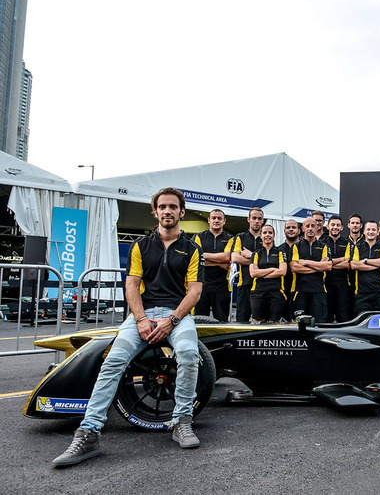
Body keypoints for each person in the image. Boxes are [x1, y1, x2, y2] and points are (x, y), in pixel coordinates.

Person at [52, 188, 204, 467]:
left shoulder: (193, 248)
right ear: (155, 212)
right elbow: (131, 285)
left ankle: (181, 421)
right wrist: (142, 319)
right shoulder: (140, 245)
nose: (167, 211)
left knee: (188, 355)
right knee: (113, 361)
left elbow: (194, 292)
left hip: (177, 317)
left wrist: (172, 320)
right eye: (162, 207)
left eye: (173, 207)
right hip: (142, 315)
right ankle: (89, 433)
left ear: (181, 212)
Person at [192, 209, 233, 322]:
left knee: (222, 321)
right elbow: (196, 258)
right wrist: (219, 262)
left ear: (224, 221)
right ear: (209, 220)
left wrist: (203, 256)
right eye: (213, 218)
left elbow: (227, 258)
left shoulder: (230, 238)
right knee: (199, 320)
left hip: (222, 287)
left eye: (219, 218)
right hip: (201, 285)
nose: (216, 220)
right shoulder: (198, 237)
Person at [290, 217, 332, 322]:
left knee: (318, 324)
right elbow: (294, 267)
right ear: (302, 228)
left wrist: (306, 262)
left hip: (318, 291)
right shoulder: (295, 246)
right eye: (307, 226)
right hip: (299, 291)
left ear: (317, 227)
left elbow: (328, 266)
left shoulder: (324, 247)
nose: (310, 228)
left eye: (313, 226)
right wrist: (319, 266)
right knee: (299, 326)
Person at [349, 220, 380, 314]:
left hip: (379, 292)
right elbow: (354, 265)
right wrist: (377, 264)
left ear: (378, 231)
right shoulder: (357, 247)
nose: (370, 232)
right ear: (363, 231)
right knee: (361, 323)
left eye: (373, 230)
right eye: (368, 229)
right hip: (361, 293)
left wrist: (365, 261)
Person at [231, 207, 264, 322]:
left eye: (259, 218)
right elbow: (235, 257)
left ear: (263, 221)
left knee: (261, 322)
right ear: (248, 219)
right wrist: (259, 260)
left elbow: (271, 262)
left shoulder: (266, 238)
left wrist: (251, 255)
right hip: (244, 285)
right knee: (241, 322)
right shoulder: (240, 237)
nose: (256, 221)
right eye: (254, 218)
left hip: (262, 287)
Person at [249, 224, 287, 324]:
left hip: (276, 292)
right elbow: (253, 273)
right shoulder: (256, 253)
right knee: (258, 322)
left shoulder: (280, 252)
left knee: (274, 322)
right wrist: (273, 269)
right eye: (264, 233)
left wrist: (261, 273)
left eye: (270, 232)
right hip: (258, 292)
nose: (267, 235)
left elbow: (282, 271)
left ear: (274, 235)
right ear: (261, 235)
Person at [325, 216, 352, 323]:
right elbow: (322, 264)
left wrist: (329, 264)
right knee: (327, 317)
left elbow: (347, 264)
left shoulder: (347, 243)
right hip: (326, 283)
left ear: (342, 227)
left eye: (338, 225)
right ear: (327, 227)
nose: (335, 227)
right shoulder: (322, 243)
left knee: (343, 316)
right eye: (333, 225)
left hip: (343, 284)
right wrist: (341, 259)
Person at [278, 219, 300, 319]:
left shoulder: (305, 248)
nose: (291, 230)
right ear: (284, 231)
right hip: (283, 291)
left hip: (301, 290)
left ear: (299, 231)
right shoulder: (278, 249)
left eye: (294, 227)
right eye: (288, 228)